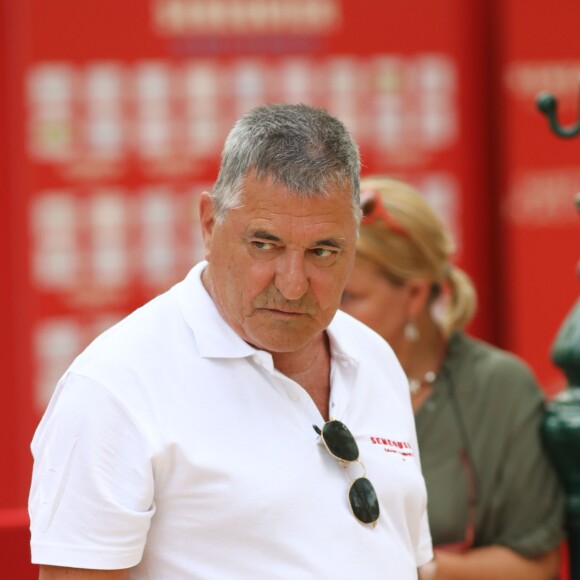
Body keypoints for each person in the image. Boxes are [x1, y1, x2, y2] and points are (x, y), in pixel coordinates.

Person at [29, 104, 436, 579]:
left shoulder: (372, 355)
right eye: (265, 245)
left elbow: (410, 559)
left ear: (354, 243)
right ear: (208, 225)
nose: (292, 284)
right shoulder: (115, 387)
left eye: (322, 252)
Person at [340, 175, 566, 580]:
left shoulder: (498, 387)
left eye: (348, 297)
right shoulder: (298, 378)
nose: (327, 314)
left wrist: (412, 568)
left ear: (415, 295)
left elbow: (536, 565)